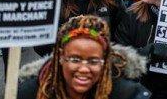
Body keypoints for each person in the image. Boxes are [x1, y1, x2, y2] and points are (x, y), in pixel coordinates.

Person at [16, 15, 151, 99]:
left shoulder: (126, 94)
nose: (84, 69)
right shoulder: (30, 93)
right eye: (75, 59)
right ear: (61, 58)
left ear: (104, 61)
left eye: (93, 61)